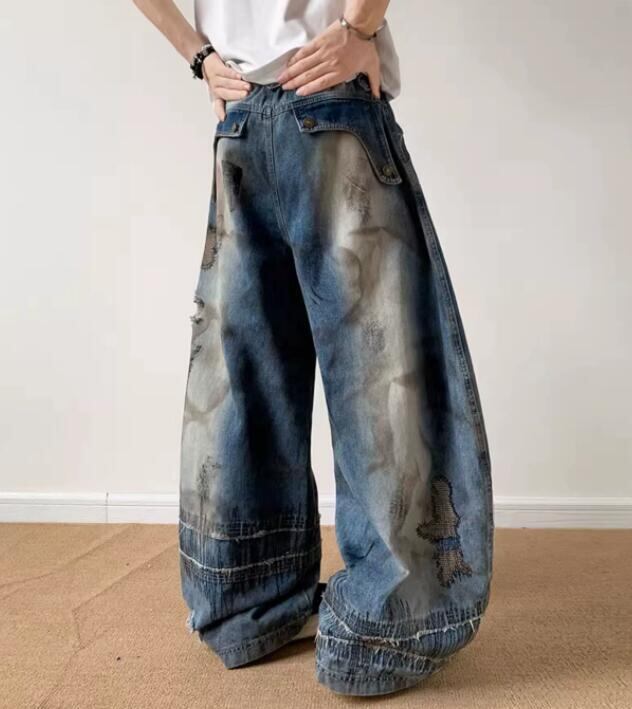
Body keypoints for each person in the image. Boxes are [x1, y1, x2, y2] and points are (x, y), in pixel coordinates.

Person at [132, 0, 494, 697]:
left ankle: (249, 599)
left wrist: (199, 56)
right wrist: (358, 28)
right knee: (382, 376)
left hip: (240, 122)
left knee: (246, 375)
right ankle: (388, 625)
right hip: (330, 106)